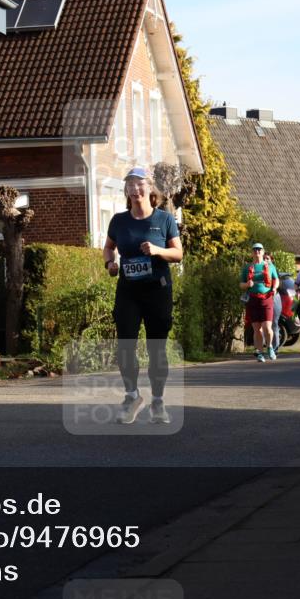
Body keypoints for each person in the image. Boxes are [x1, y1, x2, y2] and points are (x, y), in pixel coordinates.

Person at [104, 167, 182, 424]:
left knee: (156, 349)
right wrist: (110, 264)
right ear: (126, 190)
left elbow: (178, 254)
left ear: (150, 188)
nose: (135, 189)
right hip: (128, 290)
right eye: (130, 185)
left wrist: (158, 250)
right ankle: (132, 396)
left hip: (157, 290)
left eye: (140, 184)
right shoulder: (118, 221)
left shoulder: (164, 219)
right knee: (125, 345)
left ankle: (157, 402)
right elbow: (108, 247)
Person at [239, 243, 279, 362]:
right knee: (256, 329)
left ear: (263, 251)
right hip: (252, 299)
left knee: (267, 327)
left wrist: (274, 288)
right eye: (255, 249)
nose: (257, 251)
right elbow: (241, 284)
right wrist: (247, 284)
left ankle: (270, 346)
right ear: (252, 252)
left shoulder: (270, 266)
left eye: (259, 249)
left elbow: (276, 279)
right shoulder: (247, 267)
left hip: (266, 298)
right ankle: (260, 353)